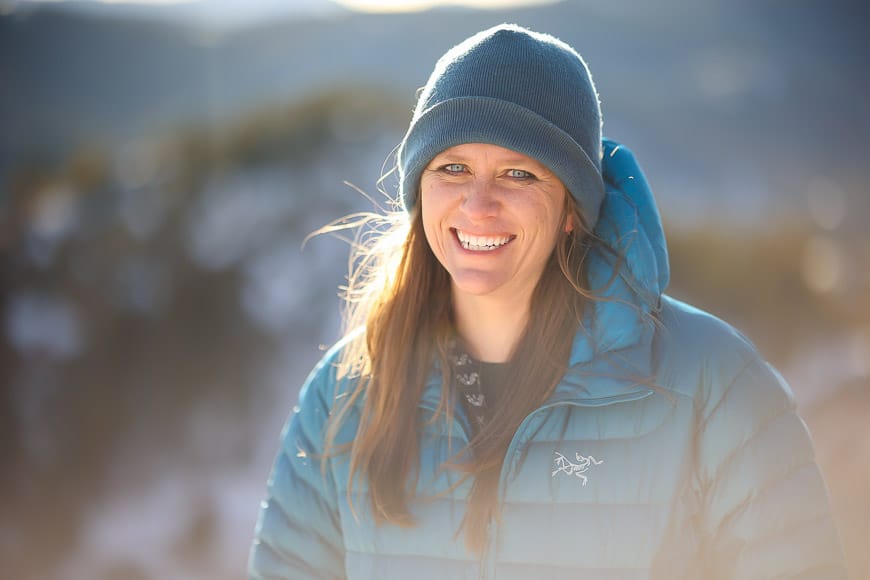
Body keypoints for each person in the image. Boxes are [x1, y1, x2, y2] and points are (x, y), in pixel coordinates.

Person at [248, 24, 846, 579]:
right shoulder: (345, 392)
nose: (478, 205)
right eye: (453, 167)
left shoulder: (714, 387)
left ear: (571, 212)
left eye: (519, 175)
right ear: (419, 190)